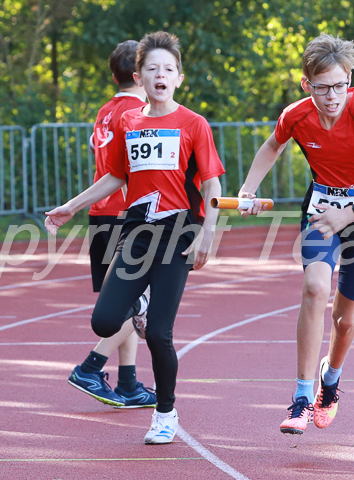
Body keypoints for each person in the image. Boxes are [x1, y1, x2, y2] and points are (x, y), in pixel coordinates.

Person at [45, 31, 225, 445]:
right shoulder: (129, 121)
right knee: (103, 321)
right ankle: (140, 301)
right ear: (139, 77)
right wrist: (71, 206)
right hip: (137, 235)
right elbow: (116, 176)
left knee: (160, 334)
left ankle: (165, 413)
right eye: (151, 69)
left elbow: (212, 184)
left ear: (179, 77)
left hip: (179, 234)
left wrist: (207, 235)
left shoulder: (194, 124)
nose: (160, 75)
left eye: (168, 69)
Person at [238, 33, 354, 435]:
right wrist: (248, 190)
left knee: (345, 320)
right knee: (315, 288)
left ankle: (329, 382)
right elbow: (270, 147)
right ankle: (300, 396)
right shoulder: (296, 115)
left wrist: (349, 213)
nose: (332, 96)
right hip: (319, 212)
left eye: (339, 85)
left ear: (349, 79)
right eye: (322, 88)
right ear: (306, 85)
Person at [66, 39, 156, 410]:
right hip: (127, 213)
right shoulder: (139, 112)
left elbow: (96, 147)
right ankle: (91, 365)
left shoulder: (106, 111)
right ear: (139, 73)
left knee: (124, 303)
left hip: (101, 214)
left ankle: (130, 382)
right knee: (135, 303)